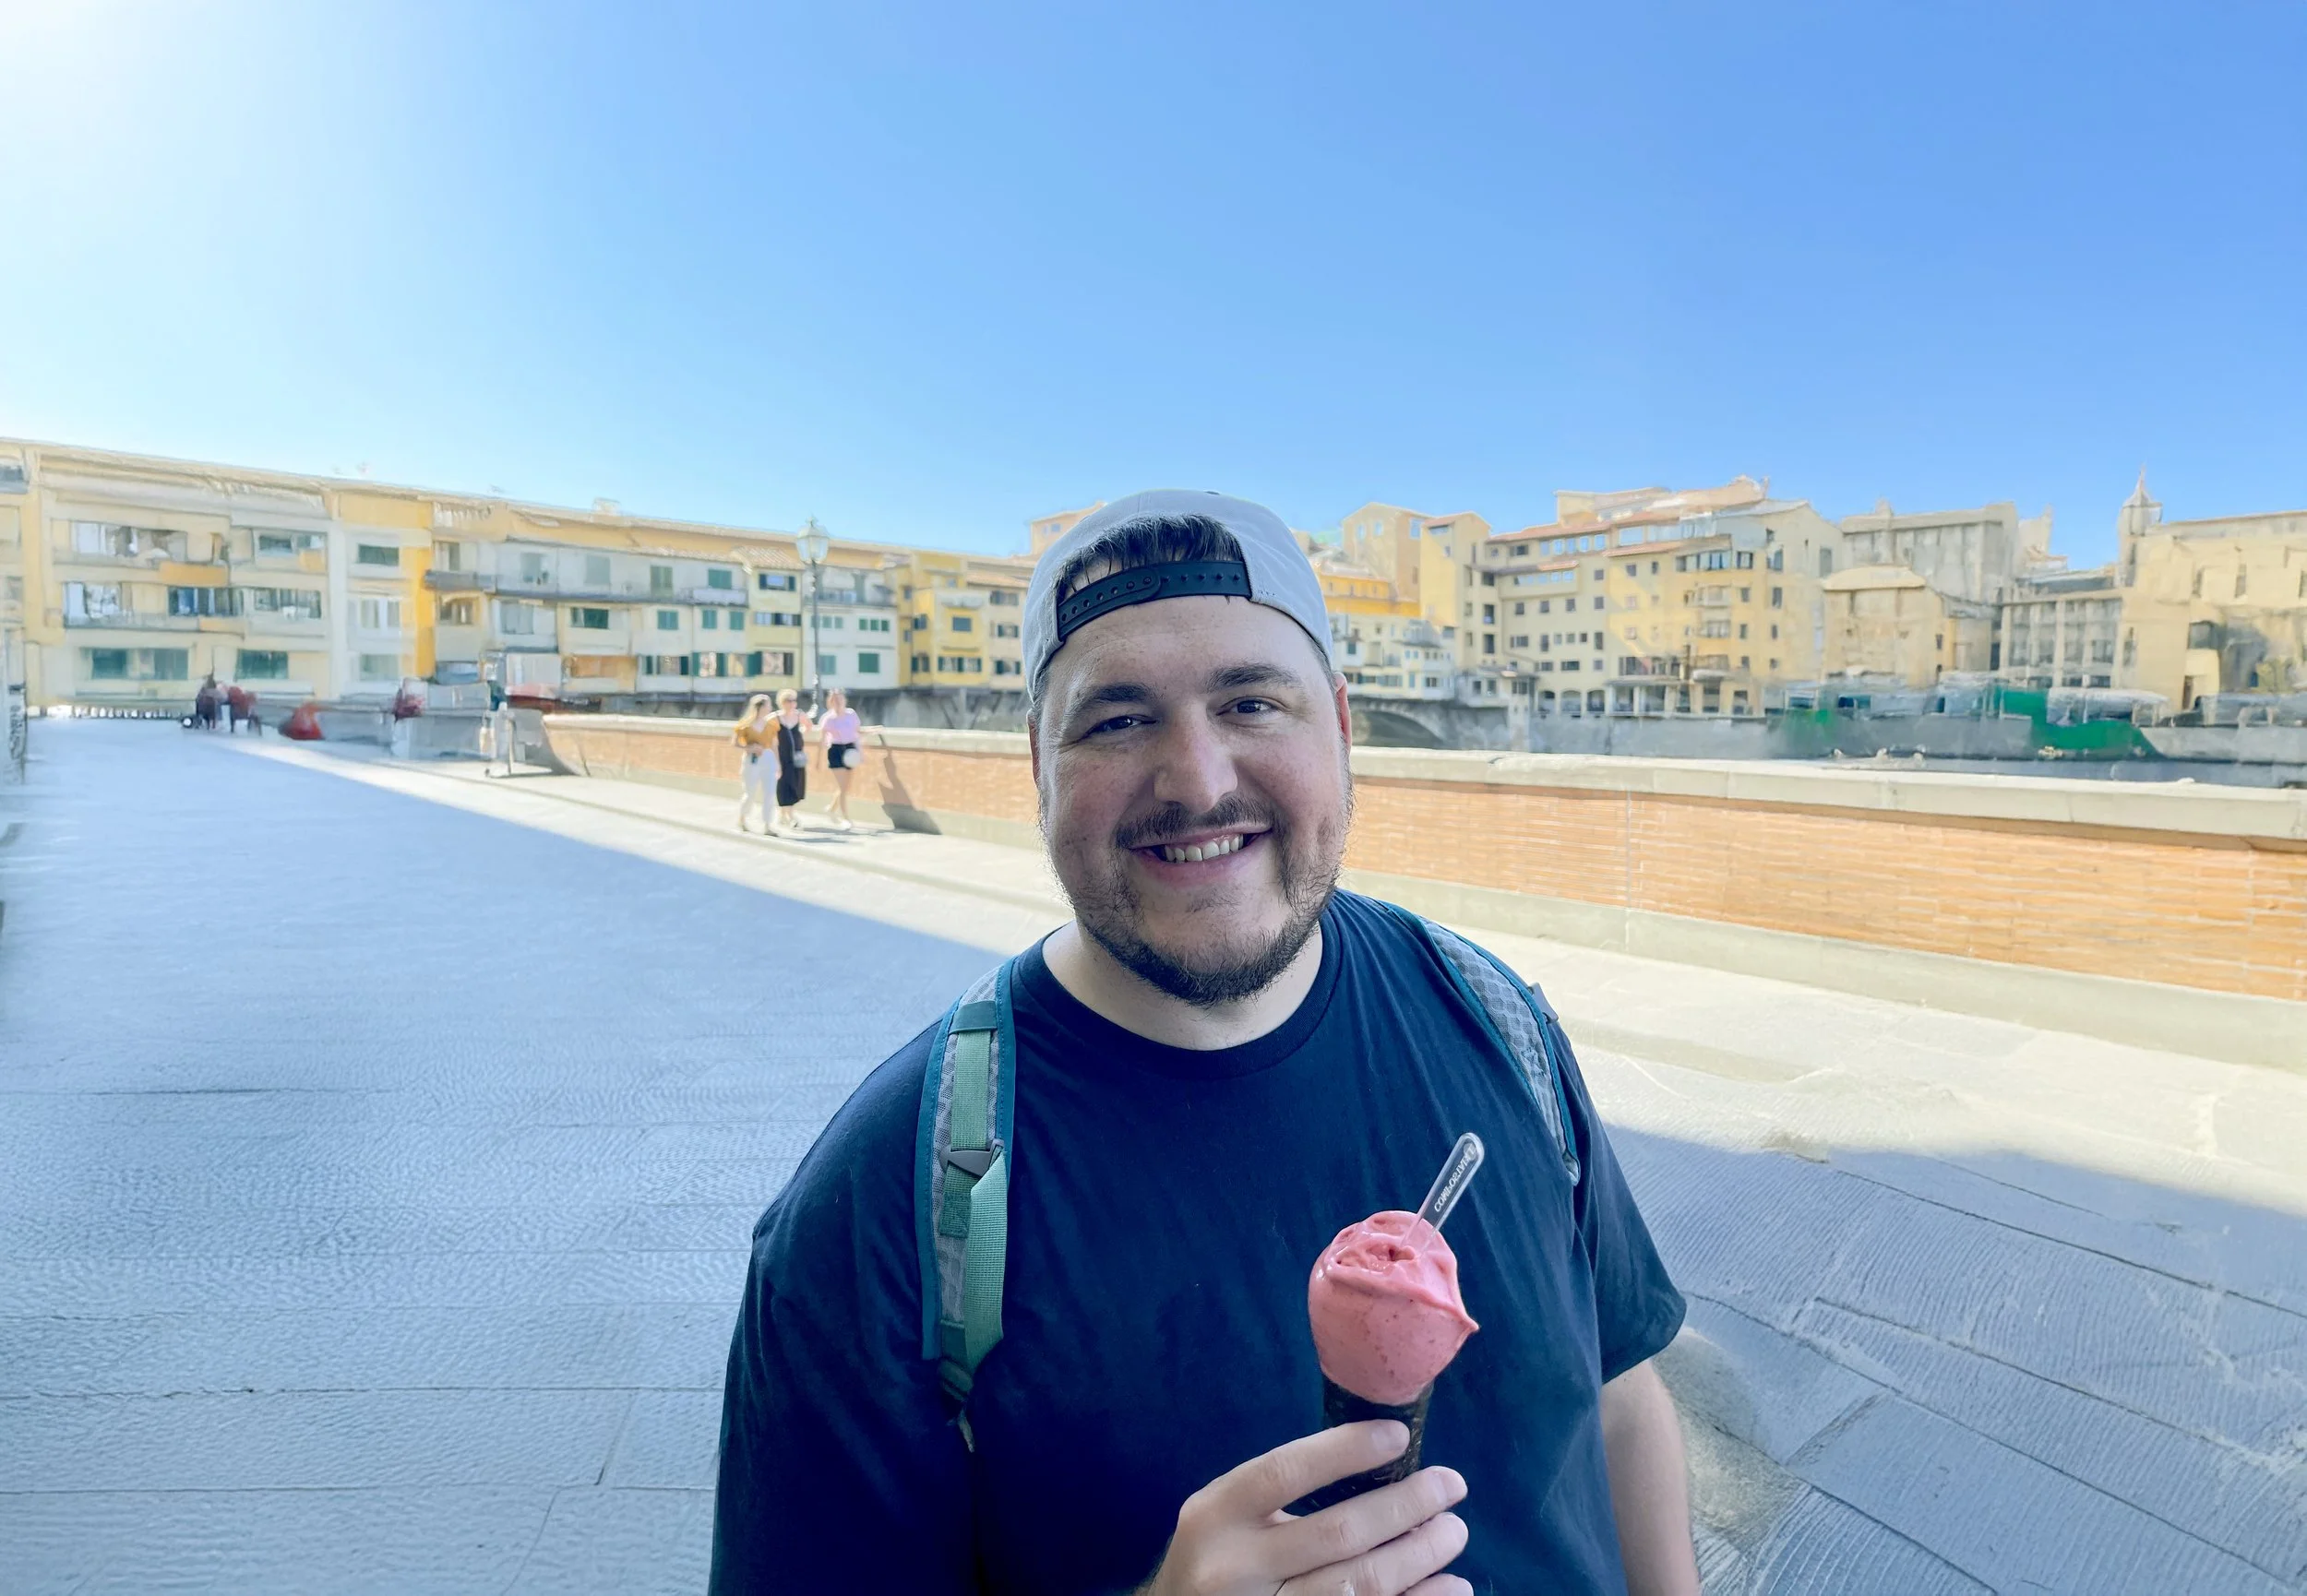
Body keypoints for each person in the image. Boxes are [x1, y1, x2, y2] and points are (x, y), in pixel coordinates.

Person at [710, 491, 1697, 1594]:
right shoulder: (882, 1202)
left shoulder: (1499, 1023)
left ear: (1340, 724)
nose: (1199, 779)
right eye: (1117, 719)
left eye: (1251, 703)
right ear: (1038, 763)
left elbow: (1620, 1397)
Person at [817, 685, 862, 831]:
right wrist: (818, 760)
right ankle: (846, 818)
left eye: (839, 698)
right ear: (830, 701)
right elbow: (822, 740)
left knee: (846, 787)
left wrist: (873, 730)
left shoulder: (851, 714)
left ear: (844, 699)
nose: (837, 701)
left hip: (850, 750)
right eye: (834, 699)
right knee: (842, 787)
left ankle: (831, 809)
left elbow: (857, 732)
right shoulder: (828, 718)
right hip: (836, 750)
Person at [732, 694, 778, 833]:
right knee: (750, 792)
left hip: (768, 758)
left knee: (770, 792)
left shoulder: (771, 725)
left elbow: (774, 745)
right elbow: (735, 743)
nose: (770, 708)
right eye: (768, 705)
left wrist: (779, 764)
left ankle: (767, 825)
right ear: (760, 707)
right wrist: (749, 747)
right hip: (751, 760)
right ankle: (742, 818)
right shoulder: (745, 725)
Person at [771, 687, 813, 833]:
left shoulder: (799, 715)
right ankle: (790, 817)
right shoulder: (776, 717)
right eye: (788, 701)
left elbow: (809, 726)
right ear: (782, 702)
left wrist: (801, 735)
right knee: (784, 785)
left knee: (795, 784)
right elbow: (767, 732)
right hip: (782, 756)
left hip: (796, 757)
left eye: (793, 700)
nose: (791, 703)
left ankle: (783, 815)